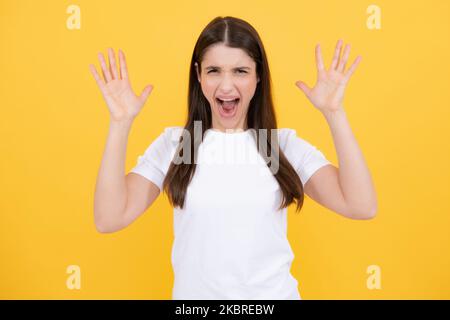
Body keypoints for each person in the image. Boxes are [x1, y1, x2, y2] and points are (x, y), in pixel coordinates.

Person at [90, 16, 378, 300]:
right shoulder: (181, 145)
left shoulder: (277, 147)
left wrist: (334, 113)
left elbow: (360, 205)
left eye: (240, 71)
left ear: (258, 76)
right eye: (214, 70)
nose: (226, 86)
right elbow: (109, 218)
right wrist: (120, 123)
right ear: (198, 75)